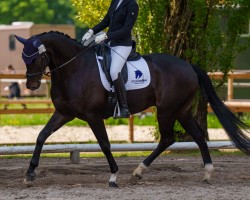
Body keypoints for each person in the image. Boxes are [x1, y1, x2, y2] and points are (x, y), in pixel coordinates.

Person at [82, 0, 139, 118]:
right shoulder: (115, 1)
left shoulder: (132, 4)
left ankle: (123, 107)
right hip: (110, 44)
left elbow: (126, 29)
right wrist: (91, 31)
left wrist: (106, 35)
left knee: (114, 72)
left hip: (123, 45)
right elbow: (106, 21)